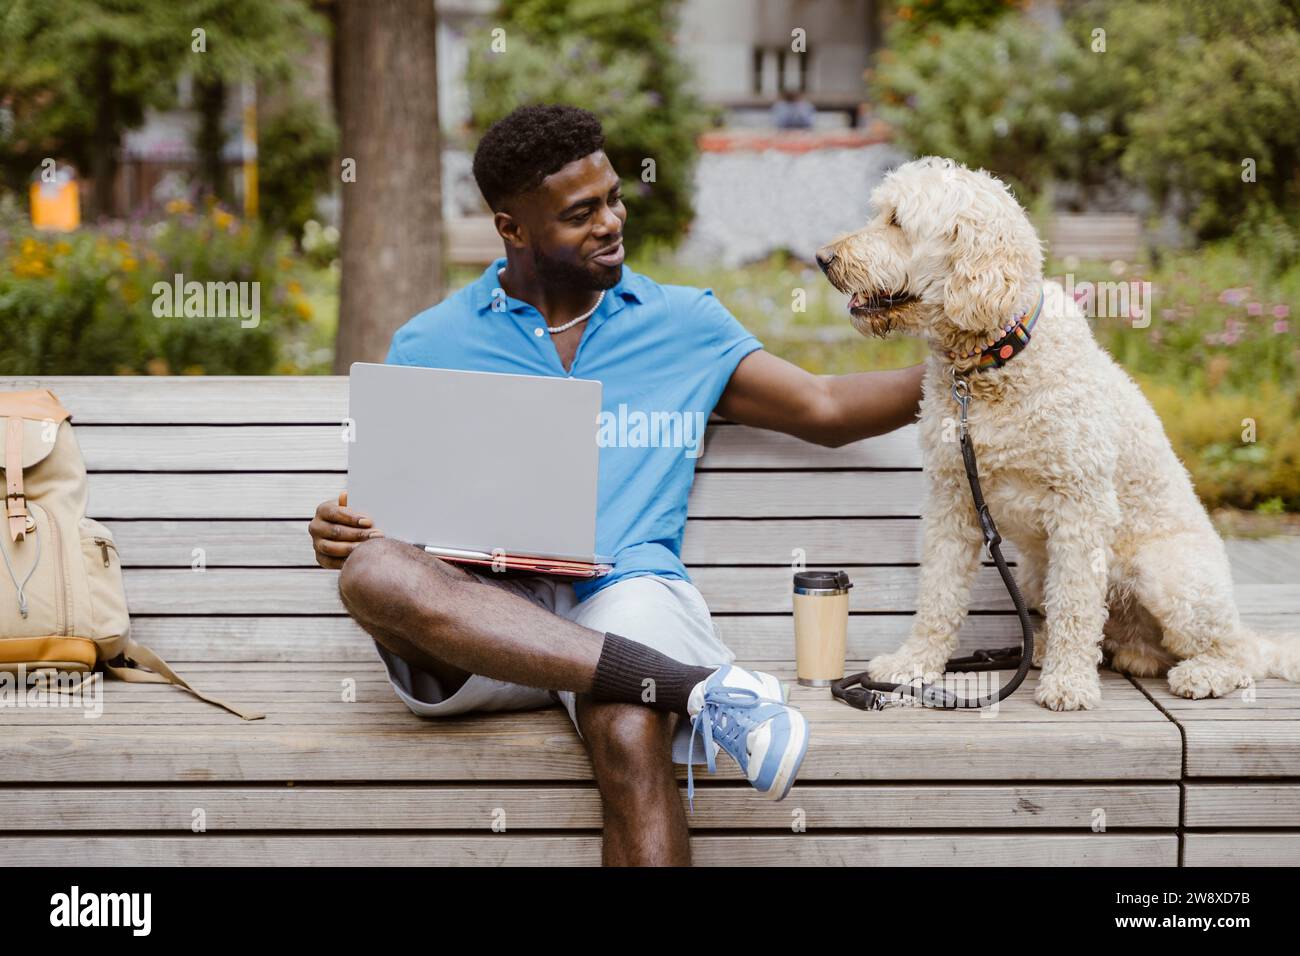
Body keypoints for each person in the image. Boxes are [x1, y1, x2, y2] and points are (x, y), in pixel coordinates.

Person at [309, 104, 924, 866]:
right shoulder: (431, 342)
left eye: (613, 198)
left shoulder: (683, 323)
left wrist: (974, 364)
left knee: (630, 727)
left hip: (626, 590)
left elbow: (825, 408)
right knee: (371, 572)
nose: (611, 222)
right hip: (485, 618)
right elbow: (389, 510)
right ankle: (696, 688)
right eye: (580, 213)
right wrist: (343, 527)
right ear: (513, 229)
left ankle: (656, 684)